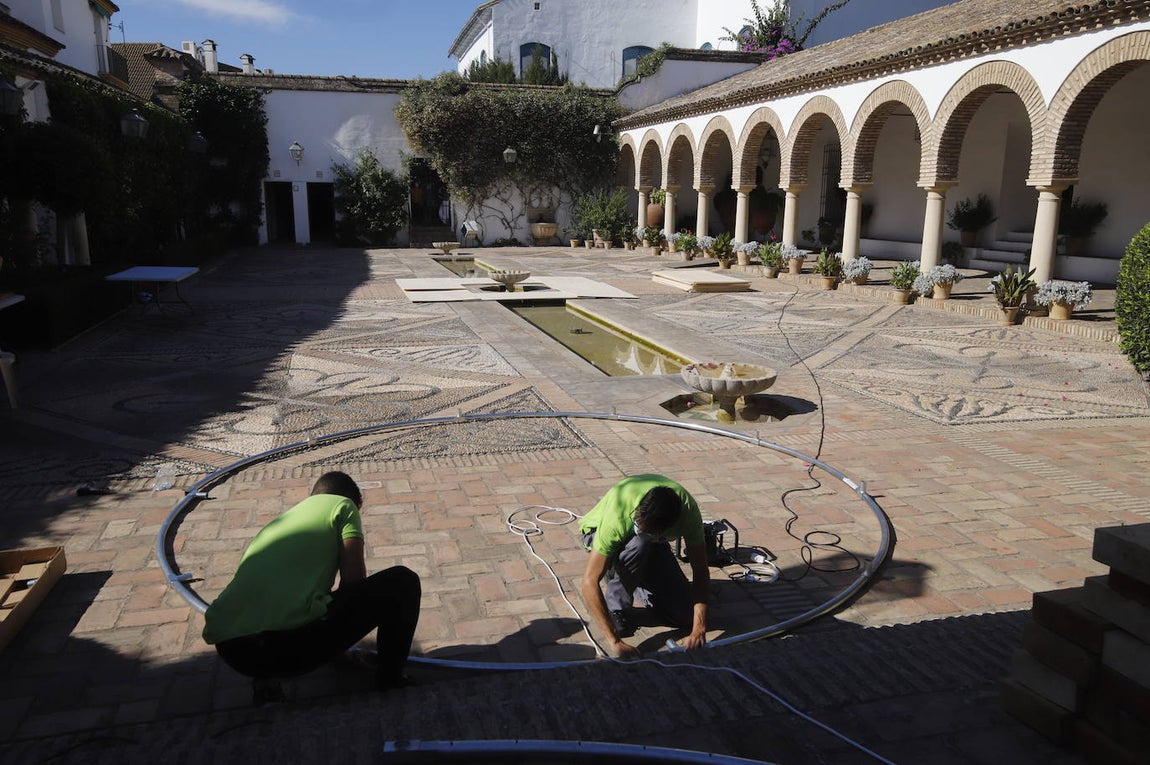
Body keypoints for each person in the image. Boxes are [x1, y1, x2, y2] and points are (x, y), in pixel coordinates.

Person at [202, 471, 420, 701]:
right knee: (402, 582)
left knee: (288, 607)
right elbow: (353, 584)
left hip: (232, 650)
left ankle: (266, 681)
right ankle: (391, 680)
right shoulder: (343, 506)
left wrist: (341, 653)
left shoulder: (279, 522)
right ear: (355, 501)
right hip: (278, 648)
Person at [579, 474, 709, 659]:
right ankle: (616, 607)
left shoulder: (688, 514)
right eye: (638, 525)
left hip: (652, 542)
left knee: (685, 615)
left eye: (645, 529)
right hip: (596, 532)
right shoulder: (620, 513)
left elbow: (701, 570)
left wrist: (699, 628)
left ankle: (640, 578)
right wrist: (614, 641)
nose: (639, 528)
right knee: (638, 544)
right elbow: (589, 582)